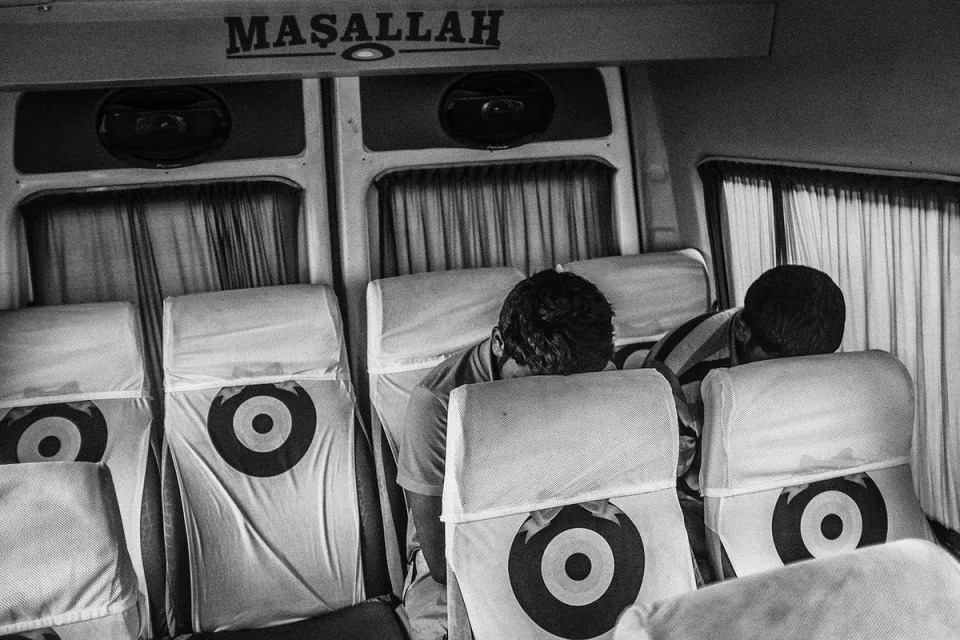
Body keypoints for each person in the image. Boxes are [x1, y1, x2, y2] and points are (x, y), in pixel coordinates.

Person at [396, 269, 615, 640]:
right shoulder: (436, 404)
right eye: (531, 387)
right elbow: (439, 562)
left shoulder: (593, 370)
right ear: (499, 343)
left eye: (566, 391)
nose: (549, 405)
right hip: (463, 559)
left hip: (566, 528)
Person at [643, 264, 846, 580]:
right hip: (704, 504)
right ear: (742, 331)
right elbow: (666, 497)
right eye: (778, 367)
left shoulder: (807, 350)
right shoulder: (676, 379)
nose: (793, 383)